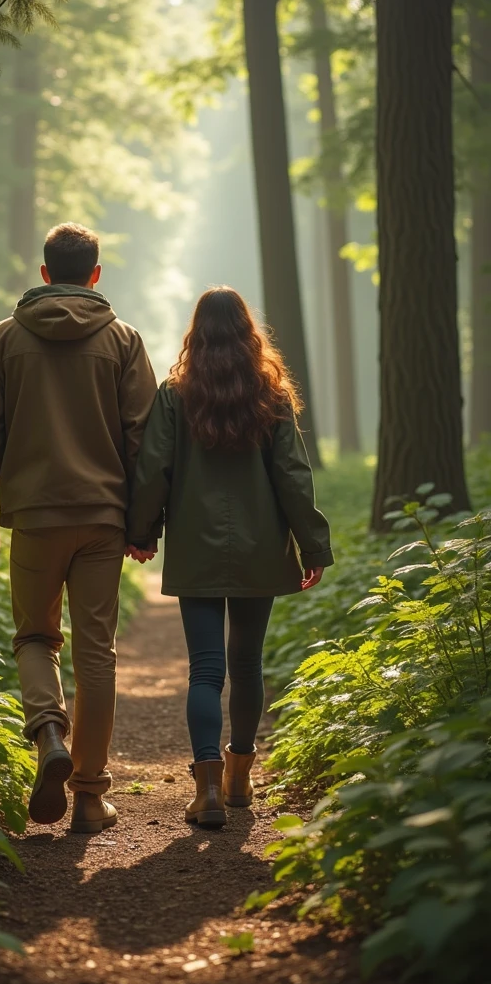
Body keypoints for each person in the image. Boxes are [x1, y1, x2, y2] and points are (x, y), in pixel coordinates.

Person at [0, 222, 157, 834]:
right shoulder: (123, 340)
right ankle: (92, 797)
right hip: (102, 517)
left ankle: (49, 734)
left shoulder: (2, 339)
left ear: (45, 274)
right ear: (95, 274)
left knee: (35, 637)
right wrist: (144, 523)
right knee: (97, 652)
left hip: (35, 516)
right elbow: (145, 438)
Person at [126, 286, 333, 828]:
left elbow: (153, 470)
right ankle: (240, 780)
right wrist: (313, 544)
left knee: (206, 668)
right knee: (246, 664)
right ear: (248, 332)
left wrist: (142, 530)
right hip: (261, 547)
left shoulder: (176, 393)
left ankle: (208, 790)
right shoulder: (272, 394)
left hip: (195, 545)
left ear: (198, 331)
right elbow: (292, 475)